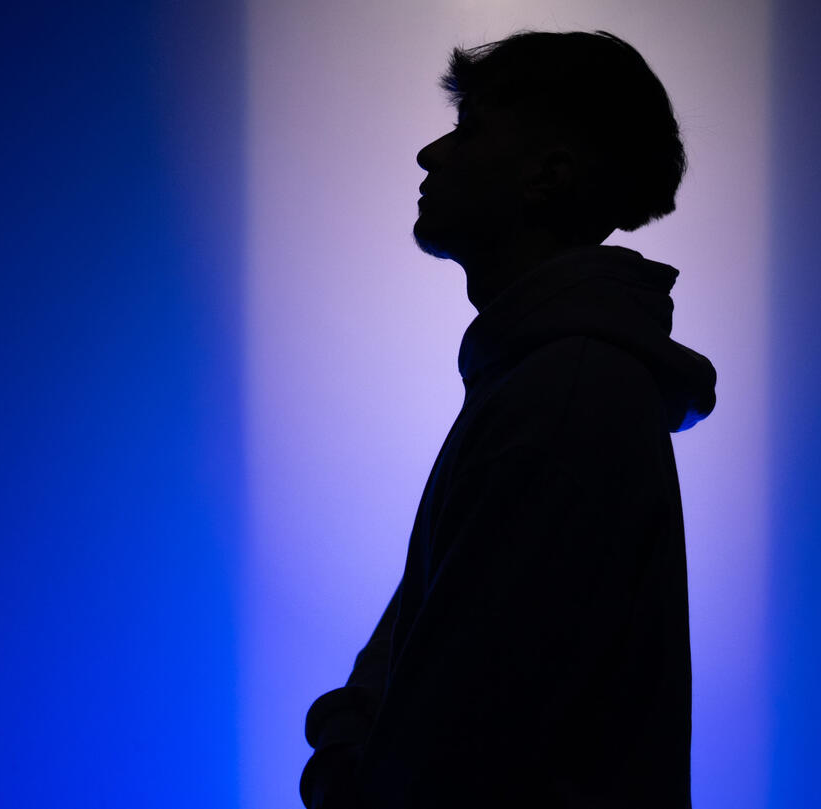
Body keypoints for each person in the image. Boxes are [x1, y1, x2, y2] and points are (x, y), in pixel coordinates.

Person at [300, 29, 717, 809]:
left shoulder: (563, 398)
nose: (431, 153)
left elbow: (451, 752)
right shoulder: (543, 382)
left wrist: (338, 766)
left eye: (470, 129)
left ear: (548, 175)